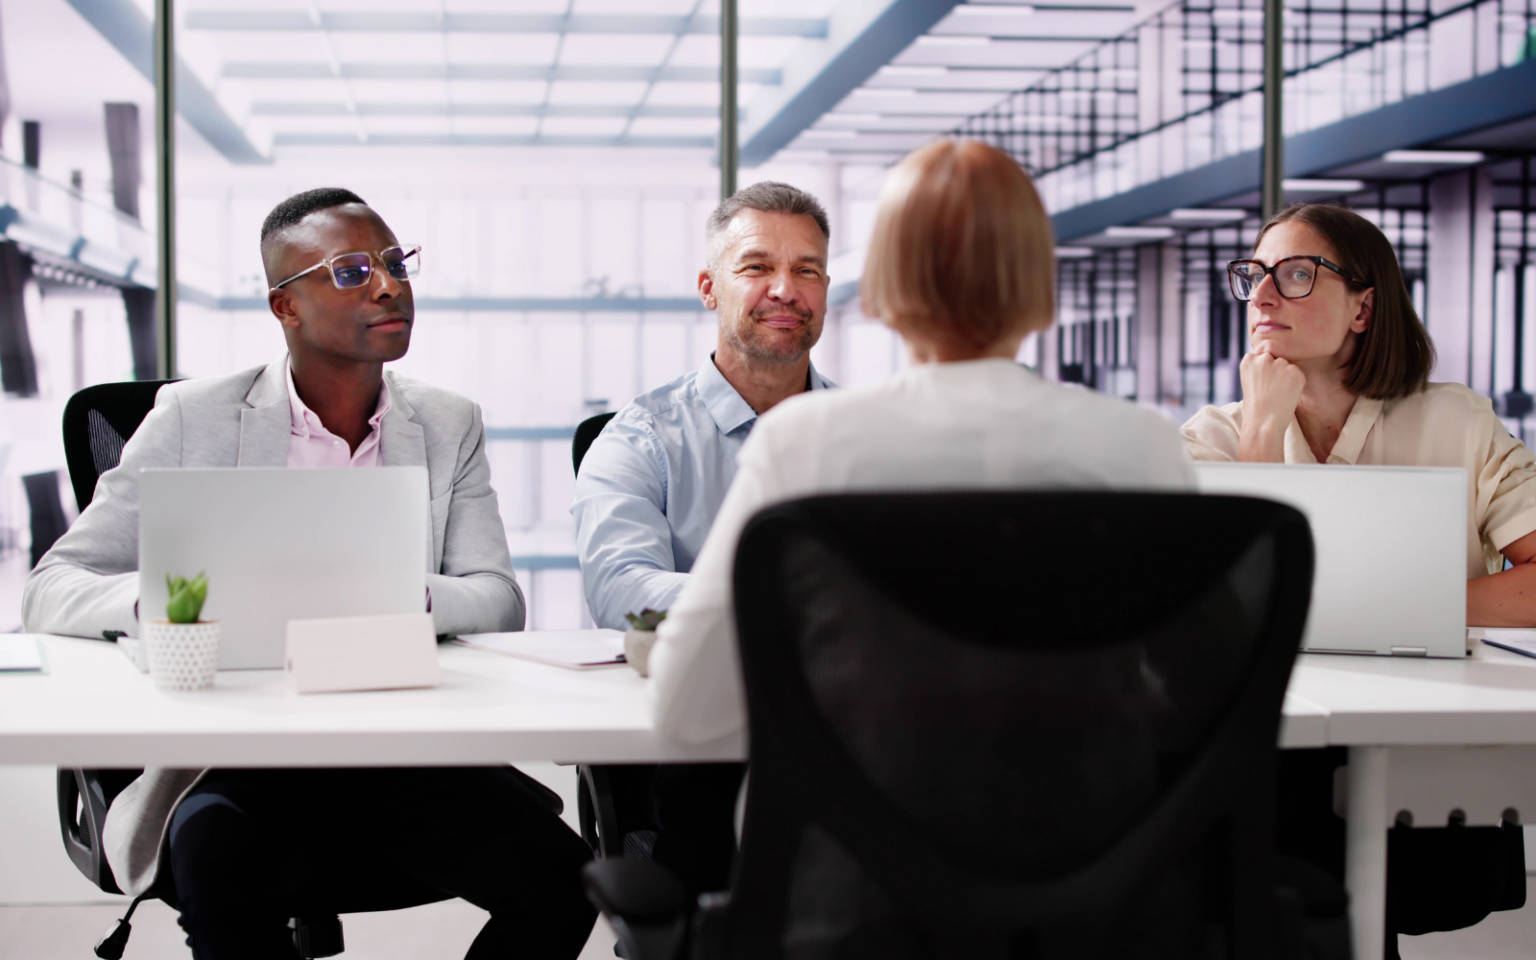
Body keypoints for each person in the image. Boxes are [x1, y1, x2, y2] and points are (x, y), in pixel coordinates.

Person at [22, 188, 595, 960]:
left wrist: (394, 589)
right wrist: (169, 596)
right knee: (221, 874)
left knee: (565, 881)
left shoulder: (447, 421)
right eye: (352, 270)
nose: (390, 285)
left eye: (395, 263)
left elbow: (496, 599)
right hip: (234, 756)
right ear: (285, 307)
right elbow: (52, 586)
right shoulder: (191, 418)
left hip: (397, 748)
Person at [649, 139, 1195, 746]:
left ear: (880, 279)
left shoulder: (805, 442)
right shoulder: (1142, 445)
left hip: (850, 836)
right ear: (1040, 276)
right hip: (1095, 831)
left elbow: (685, 708)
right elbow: (1205, 687)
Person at [1181, 202, 1532, 954]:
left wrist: (1400, 609)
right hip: (1275, 754)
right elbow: (1217, 602)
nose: (1265, 295)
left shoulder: (1455, 423)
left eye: (1297, 274)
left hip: (1419, 752)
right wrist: (1262, 436)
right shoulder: (1215, 437)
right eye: (1256, 275)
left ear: (1364, 306)